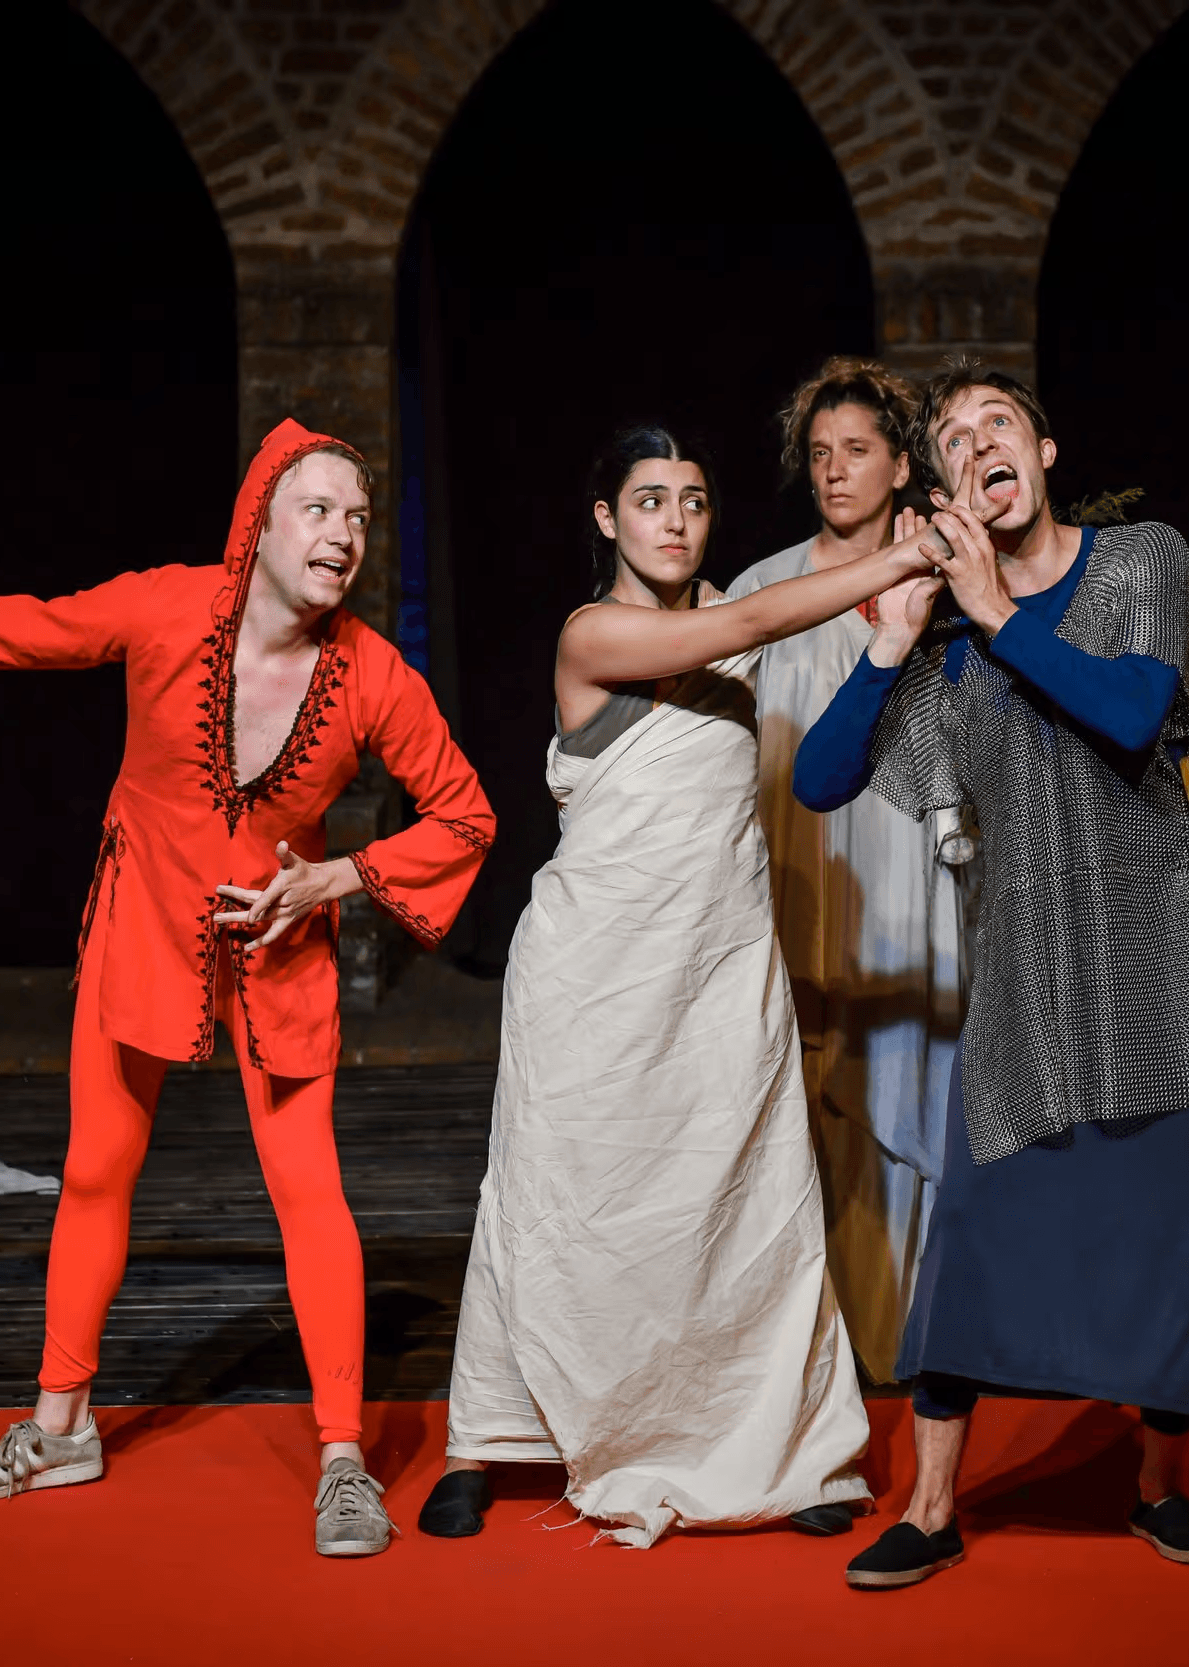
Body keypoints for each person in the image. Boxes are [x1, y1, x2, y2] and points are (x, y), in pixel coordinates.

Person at [0, 419, 495, 1557]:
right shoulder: (167, 607)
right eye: (319, 508)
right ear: (261, 524)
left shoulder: (373, 674)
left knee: (308, 1189)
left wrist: (329, 878)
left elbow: (465, 810)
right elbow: (14, 627)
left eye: (359, 516)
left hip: (280, 941)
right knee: (94, 1169)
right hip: (147, 916)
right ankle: (60, 1423)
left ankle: (341, 1459)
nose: (343, 533)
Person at [418, 424, 939, 1548]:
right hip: (593, 968)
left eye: (694, 499)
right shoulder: (595, 631)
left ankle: (792, 1444)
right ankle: (491, 1435)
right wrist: (901, 555)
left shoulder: (734, 633)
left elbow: (792, 639)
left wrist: (899, 601)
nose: (674, 516)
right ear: (606, 518)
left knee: (746, 1195)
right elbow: (750, 618)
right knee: (553, 1195)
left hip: (715, 961)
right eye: (649, 498)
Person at [795, 362, 1189, 1587]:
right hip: (1028, 961)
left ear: (1045, 451)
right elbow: (821, 779)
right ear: (946, 484)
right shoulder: (946, 643)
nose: (974, 443)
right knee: (974, 1225)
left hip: (1169, 938)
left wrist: (997, 608)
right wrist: (893, 639)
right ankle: (934, 1501)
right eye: (950, 438)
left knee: (1170, 1223)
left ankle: (1157, 1487)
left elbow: (1130, 709)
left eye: (993, 422)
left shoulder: (1138, 561)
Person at [724, 358, 961, 1380]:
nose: (834, 471)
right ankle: (805, 1351)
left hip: (909, 866)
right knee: (800, 1090)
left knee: (909, 1074)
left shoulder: (946, 582)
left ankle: (912, 1332)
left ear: (900, 462)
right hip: (800, 863)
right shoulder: (764, 589)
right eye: (819, 454)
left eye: (856, 450)